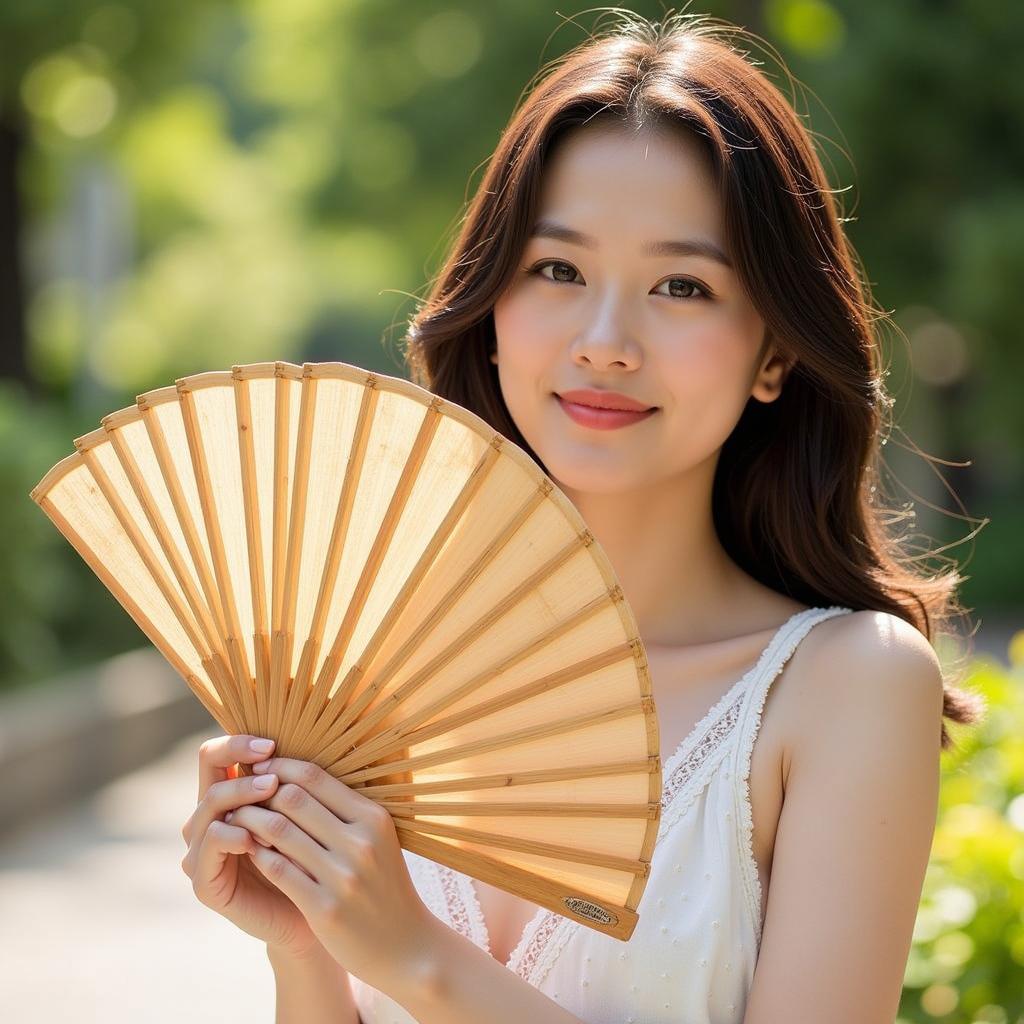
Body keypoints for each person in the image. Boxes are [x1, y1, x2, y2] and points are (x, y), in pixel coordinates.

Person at [179, 8, 984, 1023]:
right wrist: (306, 955)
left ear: (775, 351)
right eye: (556, 269)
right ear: (495, 304)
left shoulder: (842, 687)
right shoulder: (374, 684)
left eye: (681, 286)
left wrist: (419, 960)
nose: (605, 341)